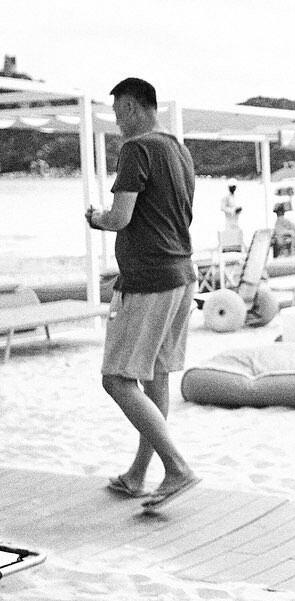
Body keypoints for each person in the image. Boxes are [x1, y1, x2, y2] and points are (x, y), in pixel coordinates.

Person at [84, 77, 200, 511]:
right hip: (182, 274)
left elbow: (121, 217)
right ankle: (137, 474)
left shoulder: (137, 148)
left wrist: (96, 217)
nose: (117, 124)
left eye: (118, 114)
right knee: (156, 376)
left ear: (133, 107)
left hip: (150, 279)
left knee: (116, 378)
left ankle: (177, 467)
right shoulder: (179, 150)